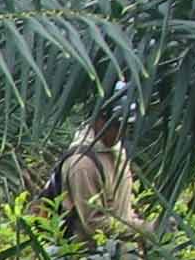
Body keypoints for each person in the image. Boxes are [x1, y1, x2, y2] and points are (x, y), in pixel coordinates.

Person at [43, 84, 155, 245]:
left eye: (126, 126)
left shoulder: (116, 150)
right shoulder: (82, 164)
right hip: (90, 256)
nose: (121, 133)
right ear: (99, 120)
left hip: (122, 250)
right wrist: (146, 229)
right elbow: (95, 226)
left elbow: (123, 209)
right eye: (116, 126)